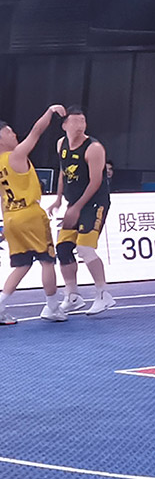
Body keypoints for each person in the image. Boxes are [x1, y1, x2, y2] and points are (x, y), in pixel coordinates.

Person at [0, 105, 69, 325]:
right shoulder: (16, 155)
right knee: (47, 261)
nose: (14, 135)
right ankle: (52, 308)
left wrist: (5, 224)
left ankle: (0, 305)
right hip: (30, 214)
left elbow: (2, 198)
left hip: (11, 216)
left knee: (22, 264)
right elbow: (37, 131)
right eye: (9, 132)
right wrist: (49, 112)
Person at [50, 108, 113, 316]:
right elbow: (63, 172)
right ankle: (73, 296)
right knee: (63, 248)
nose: (80, 126)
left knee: (85, 248)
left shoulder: (94, 148)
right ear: (64, 125)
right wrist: (59, 199)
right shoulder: (61, 144)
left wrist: (76, 208)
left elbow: (96, 182)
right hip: (73, 203)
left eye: (83, 121)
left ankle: (103, 294)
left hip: (94, 204)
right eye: (75, 122)